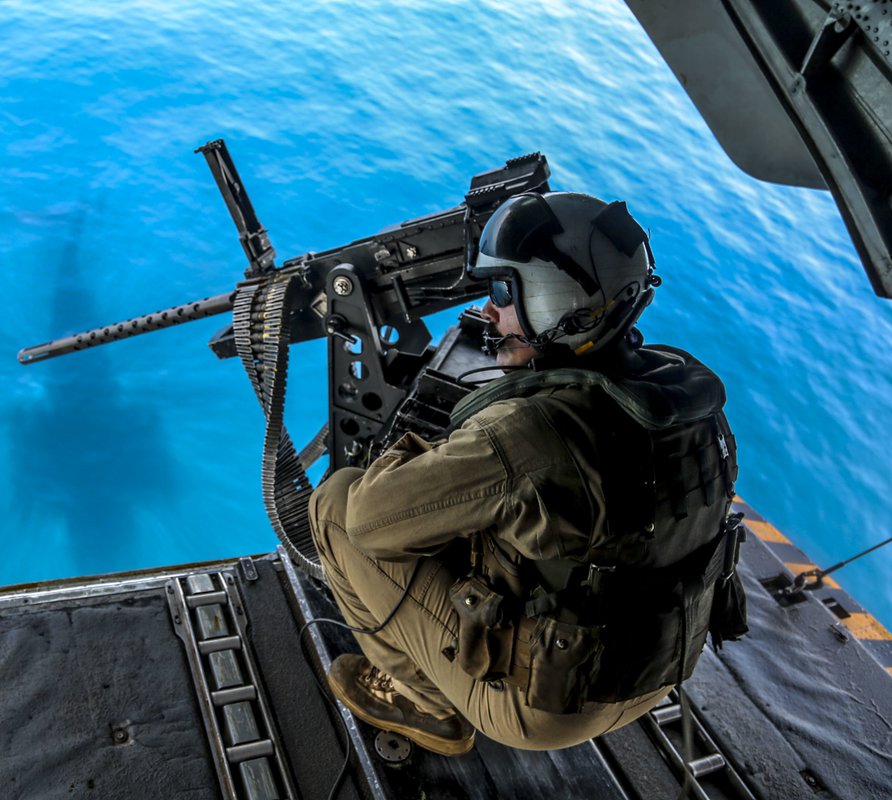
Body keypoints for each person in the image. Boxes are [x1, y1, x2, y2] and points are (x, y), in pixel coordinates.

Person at [309, 191, 743, 756]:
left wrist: (430, 446)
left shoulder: (526, 434)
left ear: (558, 302)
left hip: (544, 709)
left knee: (339, 505)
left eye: (501, 293)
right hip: (655, 674)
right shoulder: (683, 394)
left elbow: (370, 520)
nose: (488, 312)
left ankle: (428, 706)